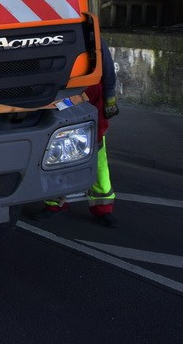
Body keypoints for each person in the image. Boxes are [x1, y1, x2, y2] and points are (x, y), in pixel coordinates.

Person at [31, 41, 119, 227]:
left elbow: (106, 64)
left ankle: (102, 208)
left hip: (89, 94)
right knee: (55, 151)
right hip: (61, 94)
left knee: (96, 151)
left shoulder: (87, 31)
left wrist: (110, 95)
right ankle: (55, 203)